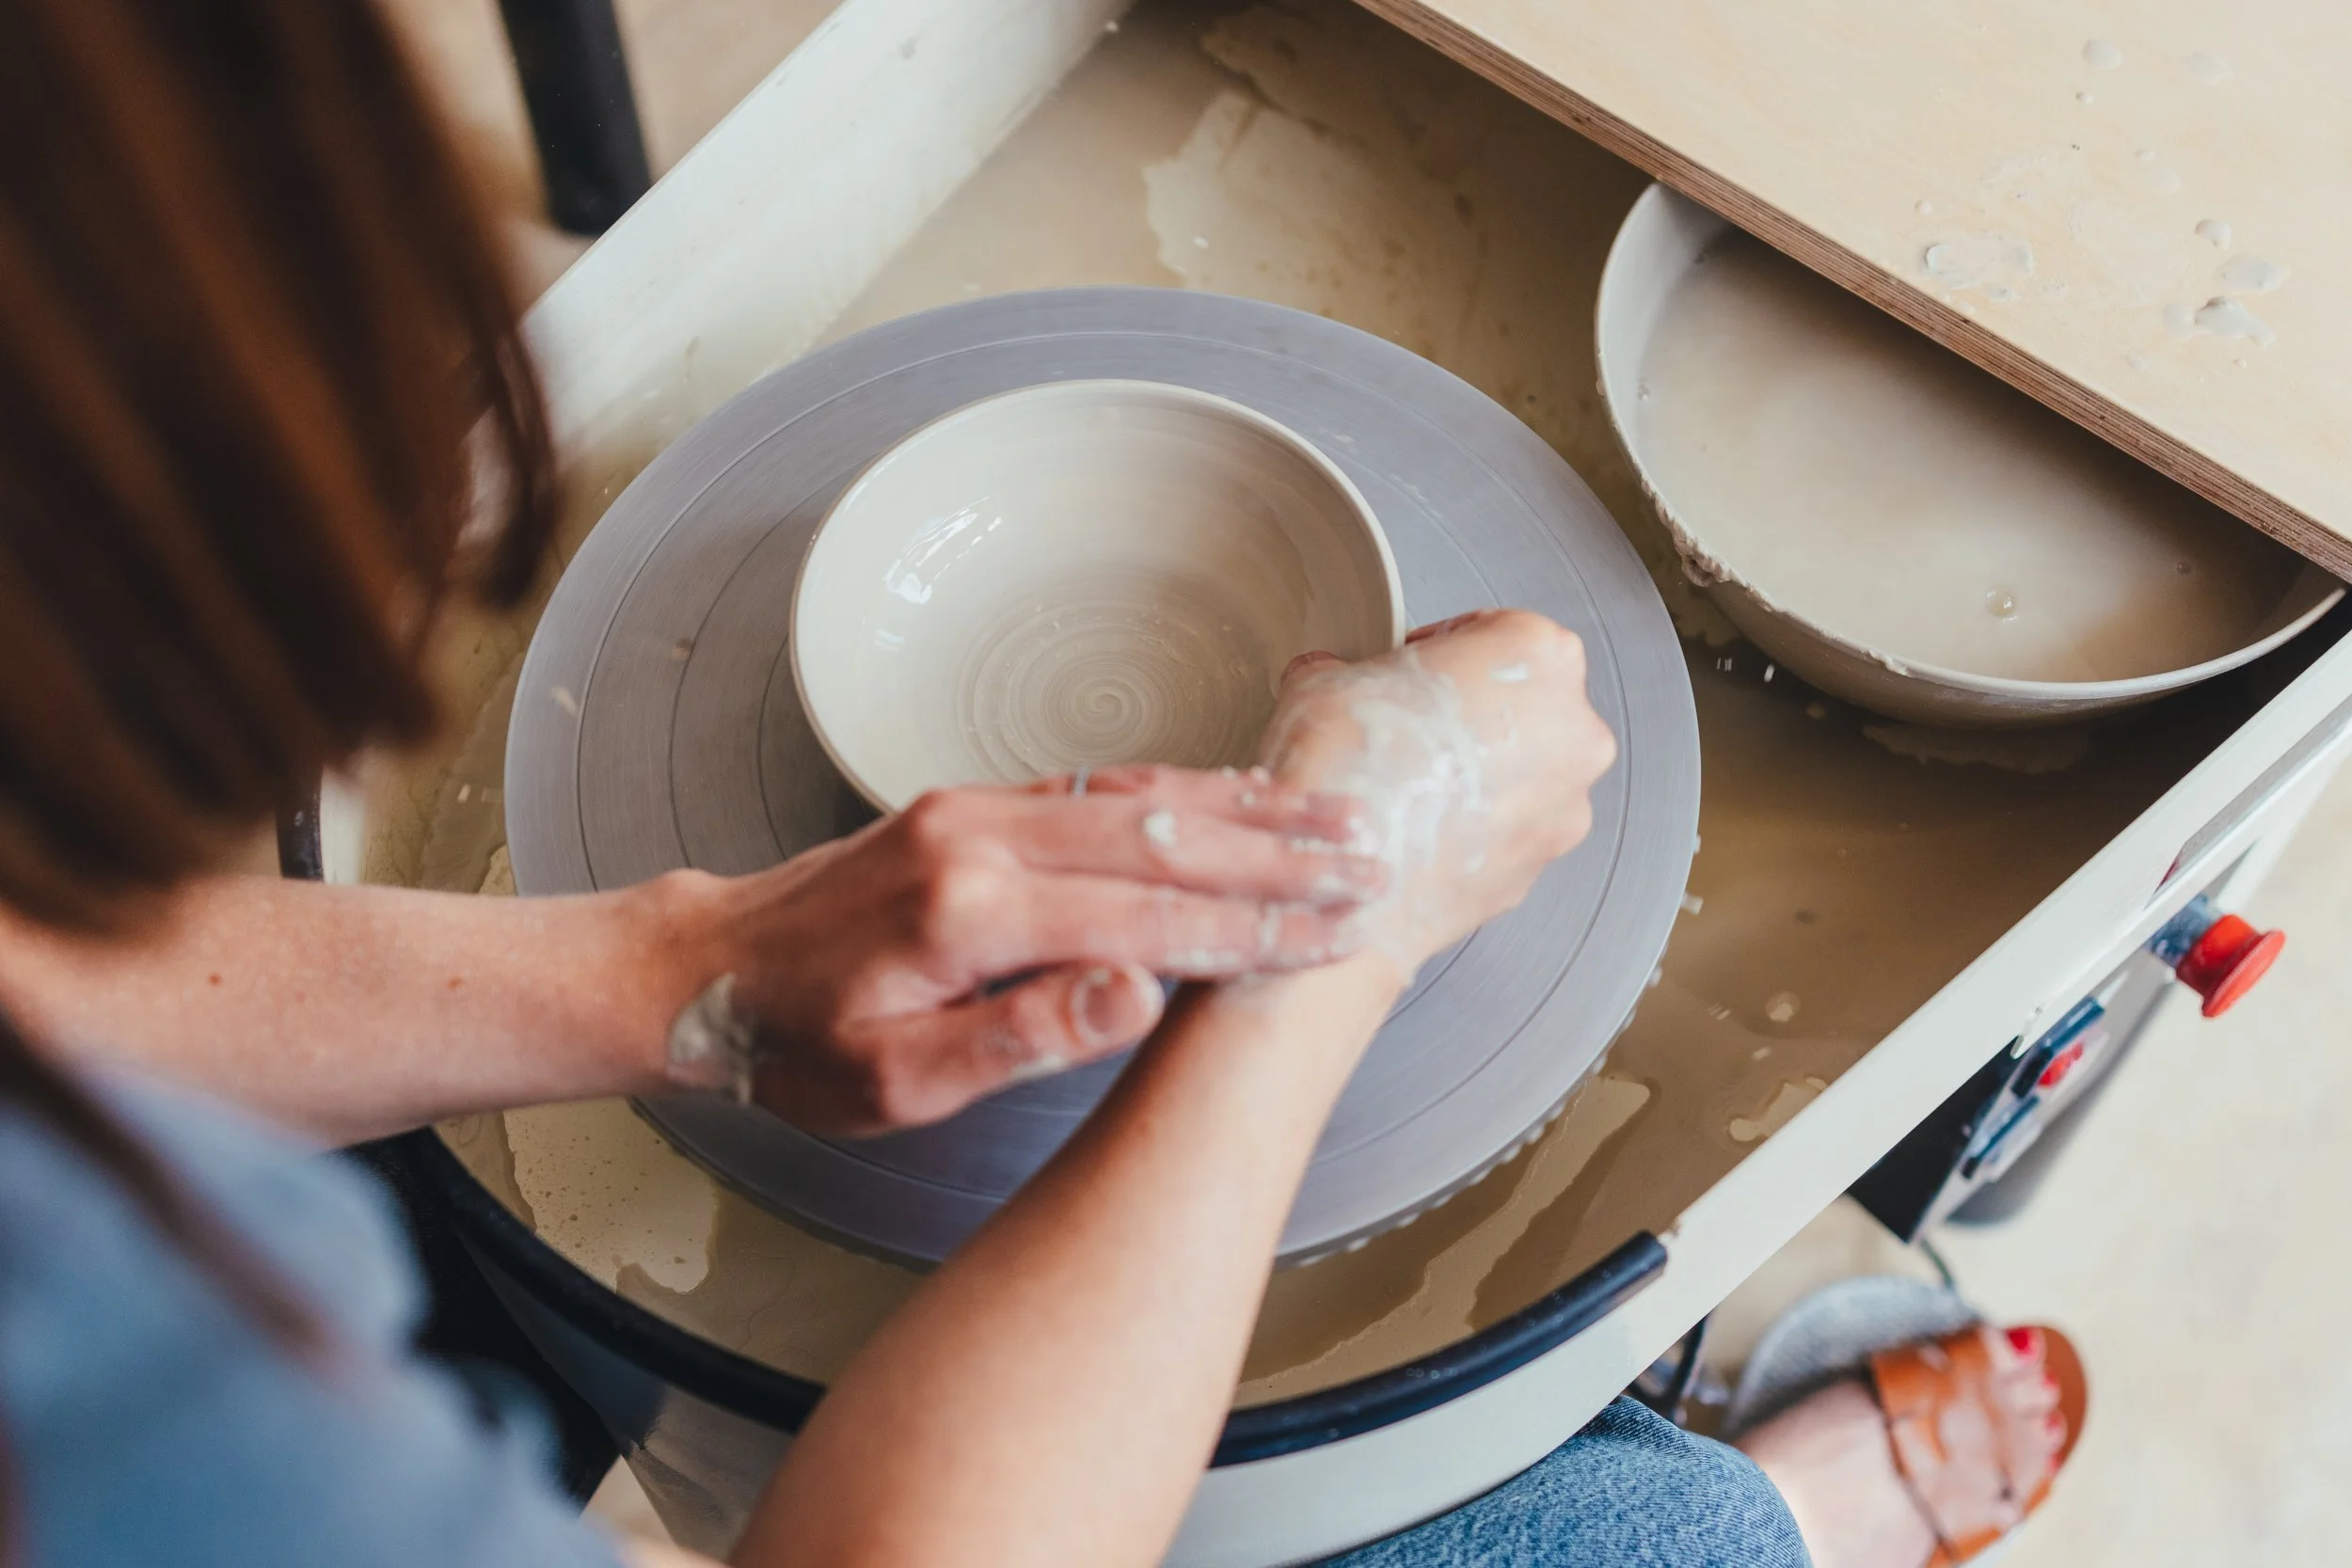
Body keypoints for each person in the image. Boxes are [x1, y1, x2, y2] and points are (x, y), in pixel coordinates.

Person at [0, 2, 2075, 1565]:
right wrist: (1327, 932)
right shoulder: (116, 1401)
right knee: (1654, 1535)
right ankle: (1785, 1502)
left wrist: (684, 965)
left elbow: (34, 994)